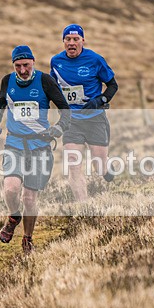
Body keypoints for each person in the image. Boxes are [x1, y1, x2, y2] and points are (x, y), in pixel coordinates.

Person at [0, 45, 71, 254]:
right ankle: (13, 216)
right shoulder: (7, 81)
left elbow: (65, 109)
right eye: (18, 66)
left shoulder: (45, 81)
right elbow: (0, 101)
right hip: (14, 144)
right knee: (10, 188)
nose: (22, 70)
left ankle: (27, 238)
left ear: (33, 62)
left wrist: (59, 128)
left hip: (39, 146)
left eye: (26, 65)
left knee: (29, 198)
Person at [50, 24, 119, 201]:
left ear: (82, 40)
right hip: (72, 121)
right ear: (63, 41)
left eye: (75, 39)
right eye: (68, 39)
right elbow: (53, 87)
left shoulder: (95, 60)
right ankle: (84, 207)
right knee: (73, 163)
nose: (71, 43)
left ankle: (105, 169)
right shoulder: (56, 62)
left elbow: (113, 85)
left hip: (95, 119)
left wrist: (100, 100)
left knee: (99, 166)